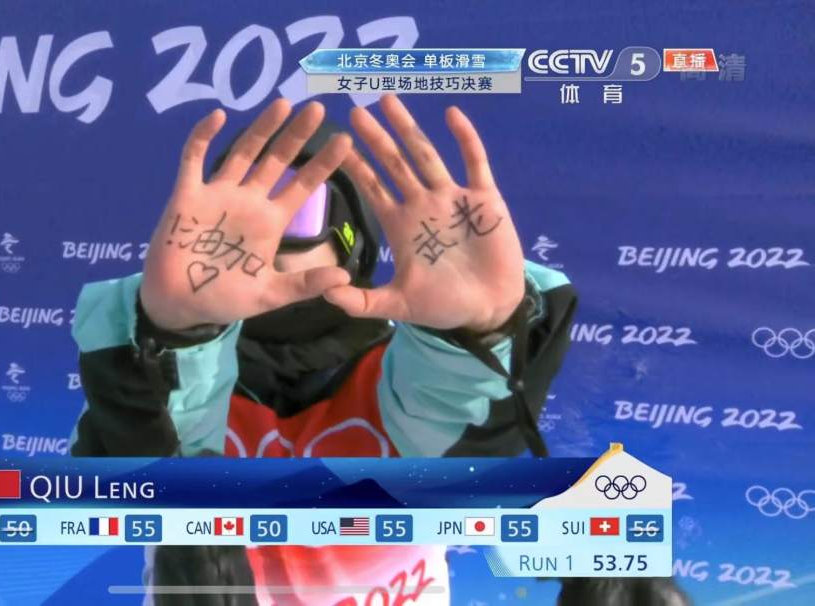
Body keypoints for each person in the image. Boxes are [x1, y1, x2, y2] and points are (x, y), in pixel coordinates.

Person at [68, 95, 684, 605]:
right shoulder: (178, 380)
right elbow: (134, 454)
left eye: (298, 210)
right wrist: (172, 335)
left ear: (350, 240)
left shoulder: (396, 376)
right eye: (233, 224)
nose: (264, 242)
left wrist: (476, 332)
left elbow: (456, 415)